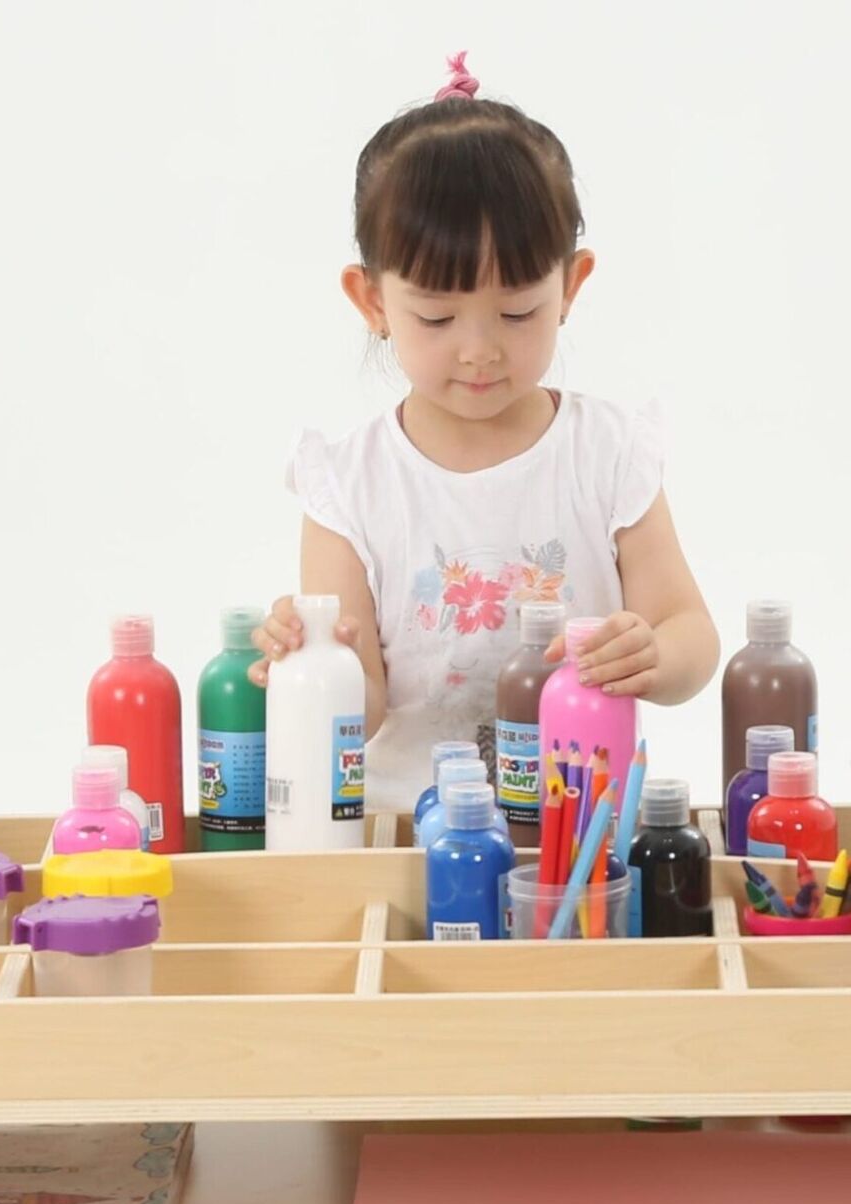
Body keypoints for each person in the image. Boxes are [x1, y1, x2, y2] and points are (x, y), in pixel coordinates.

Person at [251, 51, 719, 815]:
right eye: (437, 317)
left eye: (517, 312)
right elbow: (362, 704)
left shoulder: (606, 454)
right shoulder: (348, 484)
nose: (479, 349)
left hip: (582, 834)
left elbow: (692, 633)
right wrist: (313, 664)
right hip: (411, 836)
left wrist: (656, 653)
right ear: (372, 301)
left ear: (571, 286)